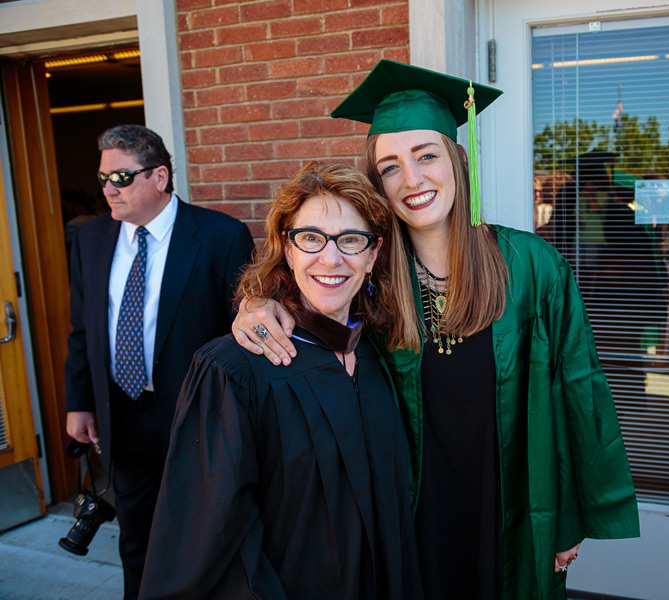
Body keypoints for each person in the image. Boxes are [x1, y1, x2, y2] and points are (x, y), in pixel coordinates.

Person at [232, 60, 639, 600]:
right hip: (408, 513)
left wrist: (567, 512)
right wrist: (257, 302)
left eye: (427, 155)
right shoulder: (369, 274)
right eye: (391, 167)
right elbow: (308, 290)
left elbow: (578, 390)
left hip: (512, 503)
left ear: (457, 160)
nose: (413, 179)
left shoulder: (532, 265)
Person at [138, 162, 423, 600]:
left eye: (351, 240)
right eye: (311, 238)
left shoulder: (379, 354)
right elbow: (208, 538)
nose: (331, 258)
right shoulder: (234, 370)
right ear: (287, 250)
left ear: (374, 253)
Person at [64, 124, 255, 598]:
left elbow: (240, 335)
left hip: (196, 415)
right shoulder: (91, 239)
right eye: (104, 177)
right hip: (123, 413)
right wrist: (80, 402)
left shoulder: (219, 235)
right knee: (137, 536)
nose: (108, 189)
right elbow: (83, 329)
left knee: (202, 531)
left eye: (122, 178)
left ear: (160, 176)